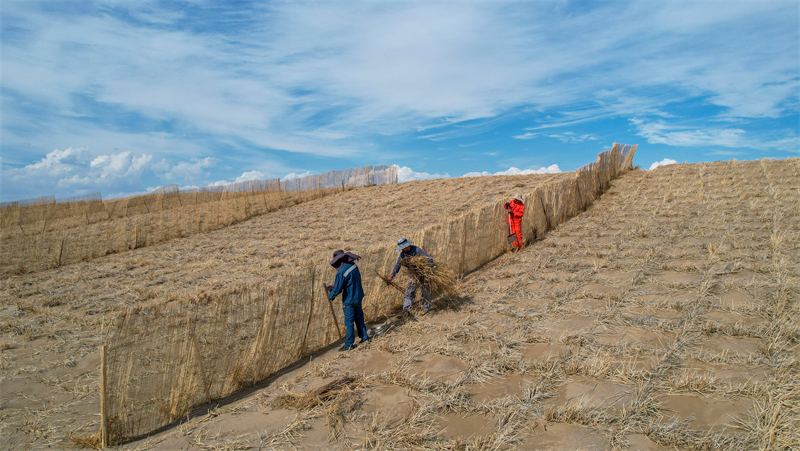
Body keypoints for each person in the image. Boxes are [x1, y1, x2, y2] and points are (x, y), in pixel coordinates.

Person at [326, 250, 370, 352]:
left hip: (349, 299)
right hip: (358, 296)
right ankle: (365, 338)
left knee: (349, 322)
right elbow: (349, 282)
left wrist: (331, 296)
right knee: (359, 319)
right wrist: (334, 286)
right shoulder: (353, 266)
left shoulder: (342, 272)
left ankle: (349, 344)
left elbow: (338, 289)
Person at [388, 238, 434, 315]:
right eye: (402, 248)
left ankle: (425, 309)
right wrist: (392, 276)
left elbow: (430, 259)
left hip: (423, 272)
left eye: (404, 248)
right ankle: (406, 310)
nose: (403, 250)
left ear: (407, 246)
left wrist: (428, 270)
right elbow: (398, 265)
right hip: (413, 273)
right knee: (409, 291)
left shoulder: (417, 250)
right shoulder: (403, 254)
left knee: (425, 290)